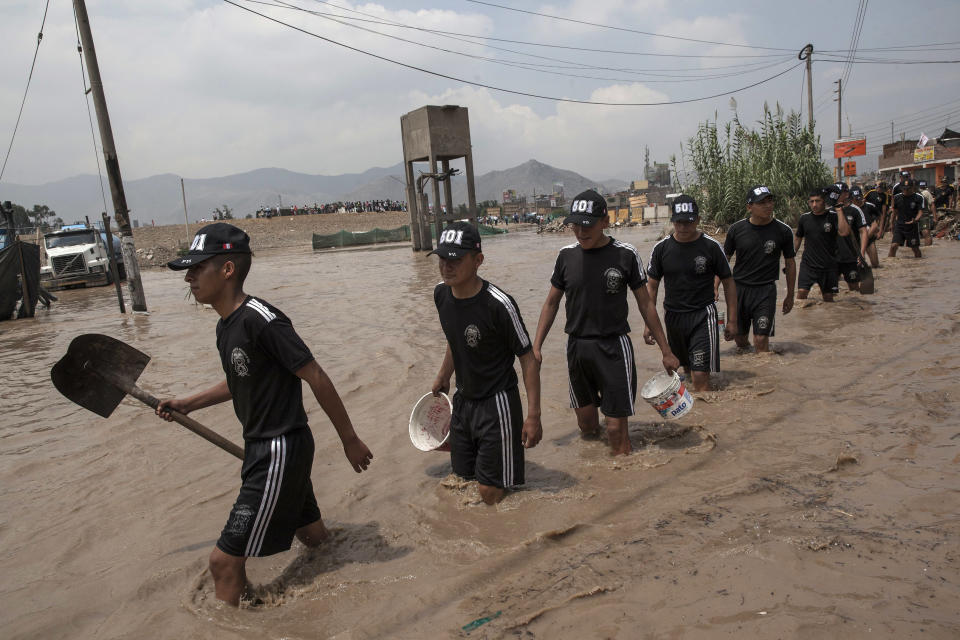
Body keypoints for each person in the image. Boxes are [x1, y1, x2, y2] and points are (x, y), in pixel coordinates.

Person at [156, 223, 373, 606]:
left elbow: (315, 375)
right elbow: (241, 379)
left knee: (223, 562)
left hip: (279, 448)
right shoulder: (226, 327)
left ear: (227, 270)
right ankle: (347, 592)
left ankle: (236, 627)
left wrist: (349, 440)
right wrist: (188, 402)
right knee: (313, 539)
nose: (188, 277)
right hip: (265, 448)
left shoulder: (261, 319)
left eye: (196, 268)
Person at [533, 189, 678, 455]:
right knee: (587, 426)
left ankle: (623, 469)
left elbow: (645, 303)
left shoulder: (626, 255)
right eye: (575, 224)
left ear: (605, 222)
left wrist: (666, 351)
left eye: (587, 224)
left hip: (614, 349)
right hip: (577, 348)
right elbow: (551, 303)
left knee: (615, 431)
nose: (580, 231)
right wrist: (536, 346)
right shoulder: (566, 256)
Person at [431, 221, 542, 503]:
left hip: (498, 404)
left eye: (455, 259)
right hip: (463, 403)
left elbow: (527, 359)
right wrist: (444, 375)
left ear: (478, 260)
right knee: (462, 480)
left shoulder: (499, 304)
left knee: (490, 492)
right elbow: (454, 339)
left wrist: (533, 416)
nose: (446, 266)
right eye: (442, 258)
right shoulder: (441, 295)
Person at [643, 195, 735, 392]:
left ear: (698, 220)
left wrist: (732, 320)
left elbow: (728, 282)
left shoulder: (711, 246)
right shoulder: (661, 249)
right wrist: (648, 324)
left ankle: (709, 415)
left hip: (703, 316)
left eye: (689, 221)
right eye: (679, 222)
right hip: (674, 317)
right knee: (684, 372)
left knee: (700, 377)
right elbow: (652, 287)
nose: (683, 227)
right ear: (673, 220)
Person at [722, 185, 796, 353]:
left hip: (765, 291)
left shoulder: (783, 231)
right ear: (750, 207)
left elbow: (790, 263)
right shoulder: (736, 230)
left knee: (761, 339)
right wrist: (714, 286)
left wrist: (790, 295)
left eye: (770, 201)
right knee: (739, 339)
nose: (767, 206)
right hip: (739, 290)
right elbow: (724, 262)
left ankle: (766, 374)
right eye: (761, 203)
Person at [794, 187, 852, 303]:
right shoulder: (804, 218)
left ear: (824, 201)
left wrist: (839, 210)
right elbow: (798, 238)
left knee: (828, 299)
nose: (814, 204)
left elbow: (844, 232)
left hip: (828, 266)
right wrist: (791, 256)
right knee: (801, 293)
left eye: (817, 201)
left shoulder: (833, 216)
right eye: (812, 201)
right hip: (808, 265)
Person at [834, 184, 869, 292]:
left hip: (850, 256)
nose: (837, 195)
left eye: (840, 193)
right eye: (836, 193)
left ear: (846, 194)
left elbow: (863, 232)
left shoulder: (855, 210)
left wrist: (862, 253)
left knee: (854, 289)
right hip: (832, 256)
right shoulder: (829, 210)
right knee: (829, 291)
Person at [889, 179, 924, 258]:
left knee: (915, 248)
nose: (906, 190)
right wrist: (891, 224)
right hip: (899, 225)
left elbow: (920, 211)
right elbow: (894, 212)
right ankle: (890, 263)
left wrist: (916, 219)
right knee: (893, 246)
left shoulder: (918, 197)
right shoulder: (897, 197)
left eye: (908, 188)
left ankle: (919, 263)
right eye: (904, 188)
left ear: (912, 187)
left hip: (912, 226)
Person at [859, 187, 884, 268]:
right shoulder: (850, 208)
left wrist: (880, 230)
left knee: (875, 265)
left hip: (869, 236)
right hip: (857, 238)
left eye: (859, 198)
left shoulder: (870, 206)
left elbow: (880, 216)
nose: (858, 201)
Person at [918, 180, 938, 246]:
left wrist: (935, 217)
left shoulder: (926, 193)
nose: (922, 187)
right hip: (918, 215)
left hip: (924, 214)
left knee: (926, 233)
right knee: (925, 233)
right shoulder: (916, 193)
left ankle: (927, 248)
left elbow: (932, 205)